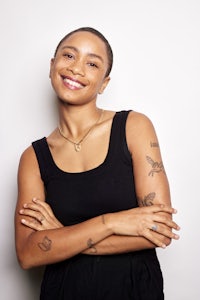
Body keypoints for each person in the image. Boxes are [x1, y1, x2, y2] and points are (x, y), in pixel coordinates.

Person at [15, 27, 180, 300]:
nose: (77, 68)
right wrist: (111, 223)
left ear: (104, 83)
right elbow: (28, 254)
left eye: (92, 63)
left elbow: (159, 231)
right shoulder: (33, 158)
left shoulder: (134, 127)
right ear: (52, 66)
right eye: (69, 55)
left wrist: (63, 237)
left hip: (134, 290)